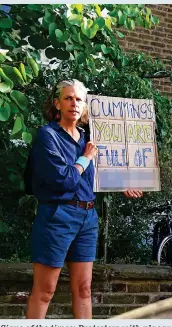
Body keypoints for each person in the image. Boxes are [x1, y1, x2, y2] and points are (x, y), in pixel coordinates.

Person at [25, 79, 143, 319]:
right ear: (57, 103)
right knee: (45, 290)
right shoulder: (48, 137)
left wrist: (122, 185)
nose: (74, 104)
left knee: (84, 289)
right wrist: (85, 157)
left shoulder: (89, 137)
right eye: (68, 98)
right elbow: (63, 180)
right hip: (57, 216)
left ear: (85, 105)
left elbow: (98, 175)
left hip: (88, 217)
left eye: (79, 99)